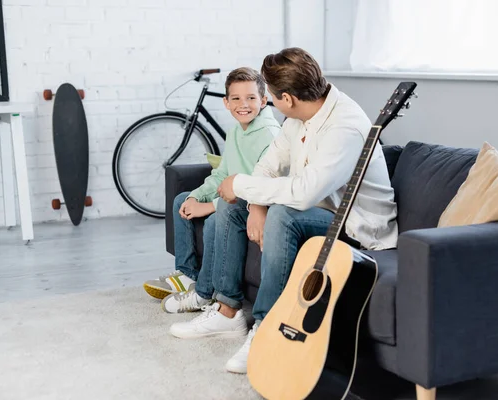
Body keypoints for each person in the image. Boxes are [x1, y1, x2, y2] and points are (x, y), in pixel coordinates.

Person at [169, 47, 398, 374]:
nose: (271, 105)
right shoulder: (302, 114)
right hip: (321, 211)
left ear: (287, 98)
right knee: (233, 207)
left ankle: (265, 327)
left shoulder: (344, 126)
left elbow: (304, 194)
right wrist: (255, 204)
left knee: (283, 213)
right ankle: (227, 312)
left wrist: (245, 188)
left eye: (272, 97)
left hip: (357, 228)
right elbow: (269, 165)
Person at [143, 67, 280, 314]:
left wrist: (207, 206)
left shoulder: (270, 136)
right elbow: (220, 174)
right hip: (230, 196)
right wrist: (198, 196)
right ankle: (187, 275)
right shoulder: (237, 131)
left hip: (252, 204)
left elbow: (257, 191)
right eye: (236, 98)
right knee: (181, 200)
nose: (243, 105)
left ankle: (204, 292)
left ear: (264, 100)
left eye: (251, 98)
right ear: (226, 103)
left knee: (215, 220)